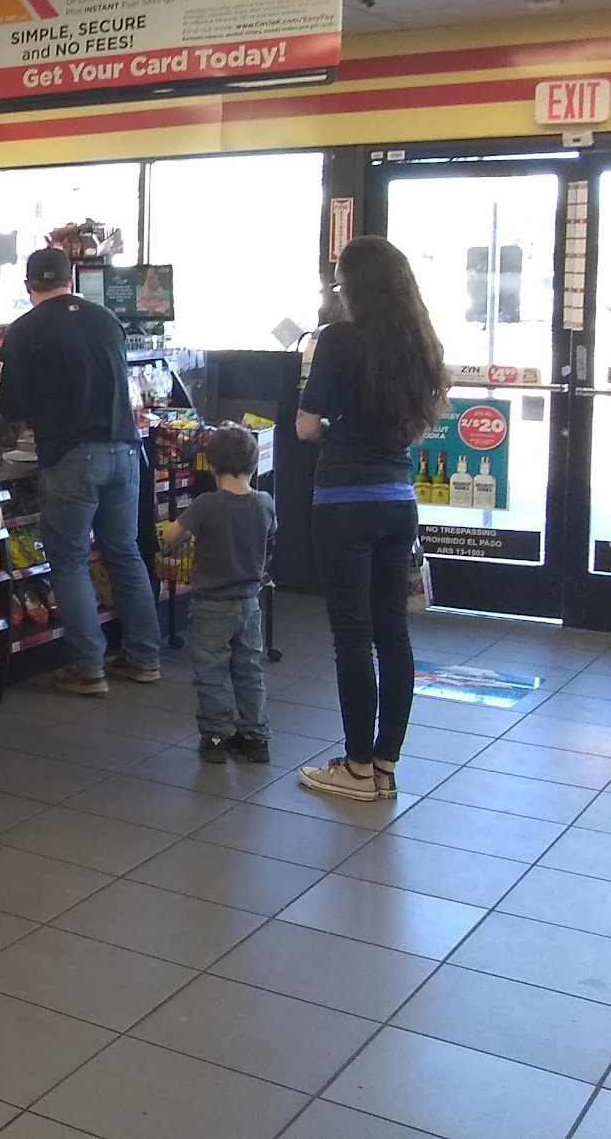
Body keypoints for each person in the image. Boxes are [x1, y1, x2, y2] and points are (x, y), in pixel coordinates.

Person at [296, 235, 447, 802]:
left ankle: (356, 767)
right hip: (398, 500)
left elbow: (306, 426)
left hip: (343, 502)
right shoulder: (420, 343)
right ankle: (385, 766)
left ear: (352, 287)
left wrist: (334, 429)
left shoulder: (337, 340)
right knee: (393, 632)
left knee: (352, 637)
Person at [0, 246, 167, 695]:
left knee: (69, 561)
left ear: (28, 287)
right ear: (70, 280)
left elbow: (10, 405)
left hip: (72, 456)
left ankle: (88, 668)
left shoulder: (23, 330)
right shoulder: (107, 319)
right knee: (125, 553)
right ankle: (145, 657)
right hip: (125, 449)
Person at [160, 423, 275, 761]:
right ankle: (256, 737)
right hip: (249, 603)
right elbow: (271, 532)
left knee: (211, 672)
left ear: (212, 466)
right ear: (254, 464)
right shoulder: (264, 502)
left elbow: (171, 536)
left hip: (211, 604)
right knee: (249, 669)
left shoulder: (206, 504)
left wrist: (176, 530)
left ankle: (215, 738)